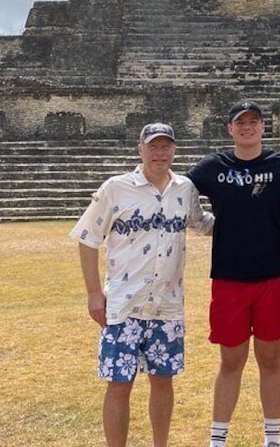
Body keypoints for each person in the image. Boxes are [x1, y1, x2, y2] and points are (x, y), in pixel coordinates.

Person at [69, 122, 214, 447]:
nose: (159, 153)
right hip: (124, 303)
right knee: (120, 383)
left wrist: (251, 215)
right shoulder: (115, 189)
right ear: (140, 149)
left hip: (167, 304)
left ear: (174, 149)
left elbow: (202, 224)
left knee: (163, 380)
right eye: (153, 146)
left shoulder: (185, 189)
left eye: (166, 146)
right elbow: (87, 238)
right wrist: (94, 293)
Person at [185, 100, 280, 447]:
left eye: (254, 122)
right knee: (231, 360)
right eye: (241, 123)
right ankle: (218, 438)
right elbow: (181, 193)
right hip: (229, 278)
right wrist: (205, 225)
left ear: (265, 127)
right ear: (230, 129)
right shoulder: (212, 167)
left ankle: (272, 436)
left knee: (270, 357)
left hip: (273, 276)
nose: (247, 127)